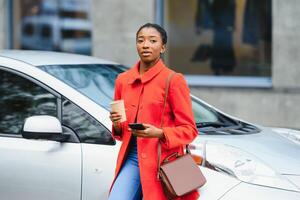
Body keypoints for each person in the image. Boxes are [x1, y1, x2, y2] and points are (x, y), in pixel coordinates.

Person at [108, 23, 199, 200]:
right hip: (132, 158)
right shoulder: (123, 80)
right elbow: (120, 133)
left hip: (164, 161)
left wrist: (160, 133)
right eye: (140, 40)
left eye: (152, 40)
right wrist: (117, 123)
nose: (145, 45)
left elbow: (190, 129)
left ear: (163, 47)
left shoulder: (173, 80)